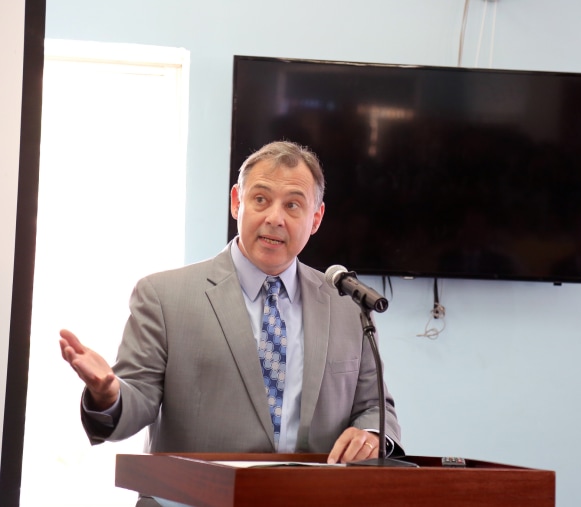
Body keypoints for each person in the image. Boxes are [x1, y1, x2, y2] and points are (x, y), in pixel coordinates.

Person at [59, 141, 403, 506]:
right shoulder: (164, 296)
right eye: (261, 199)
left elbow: (376, 407)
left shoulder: (346, 305)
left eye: (292, 205)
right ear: (237, 201)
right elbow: (137, 399)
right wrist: (108, 394)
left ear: (315, 218)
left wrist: (370, 433)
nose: (275, 217)